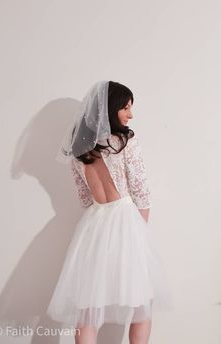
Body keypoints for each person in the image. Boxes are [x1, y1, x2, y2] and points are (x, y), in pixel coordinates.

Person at [46, 80, 173, 344]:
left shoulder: (79, 152)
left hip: (94, 226)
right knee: (141, 306)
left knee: (89, 309)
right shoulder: (125, 142)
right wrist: (140, 234)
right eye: (125, 107)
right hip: (127, 222)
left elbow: (84, 198)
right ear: (109, 109)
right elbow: (141, 192)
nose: (131, 114)